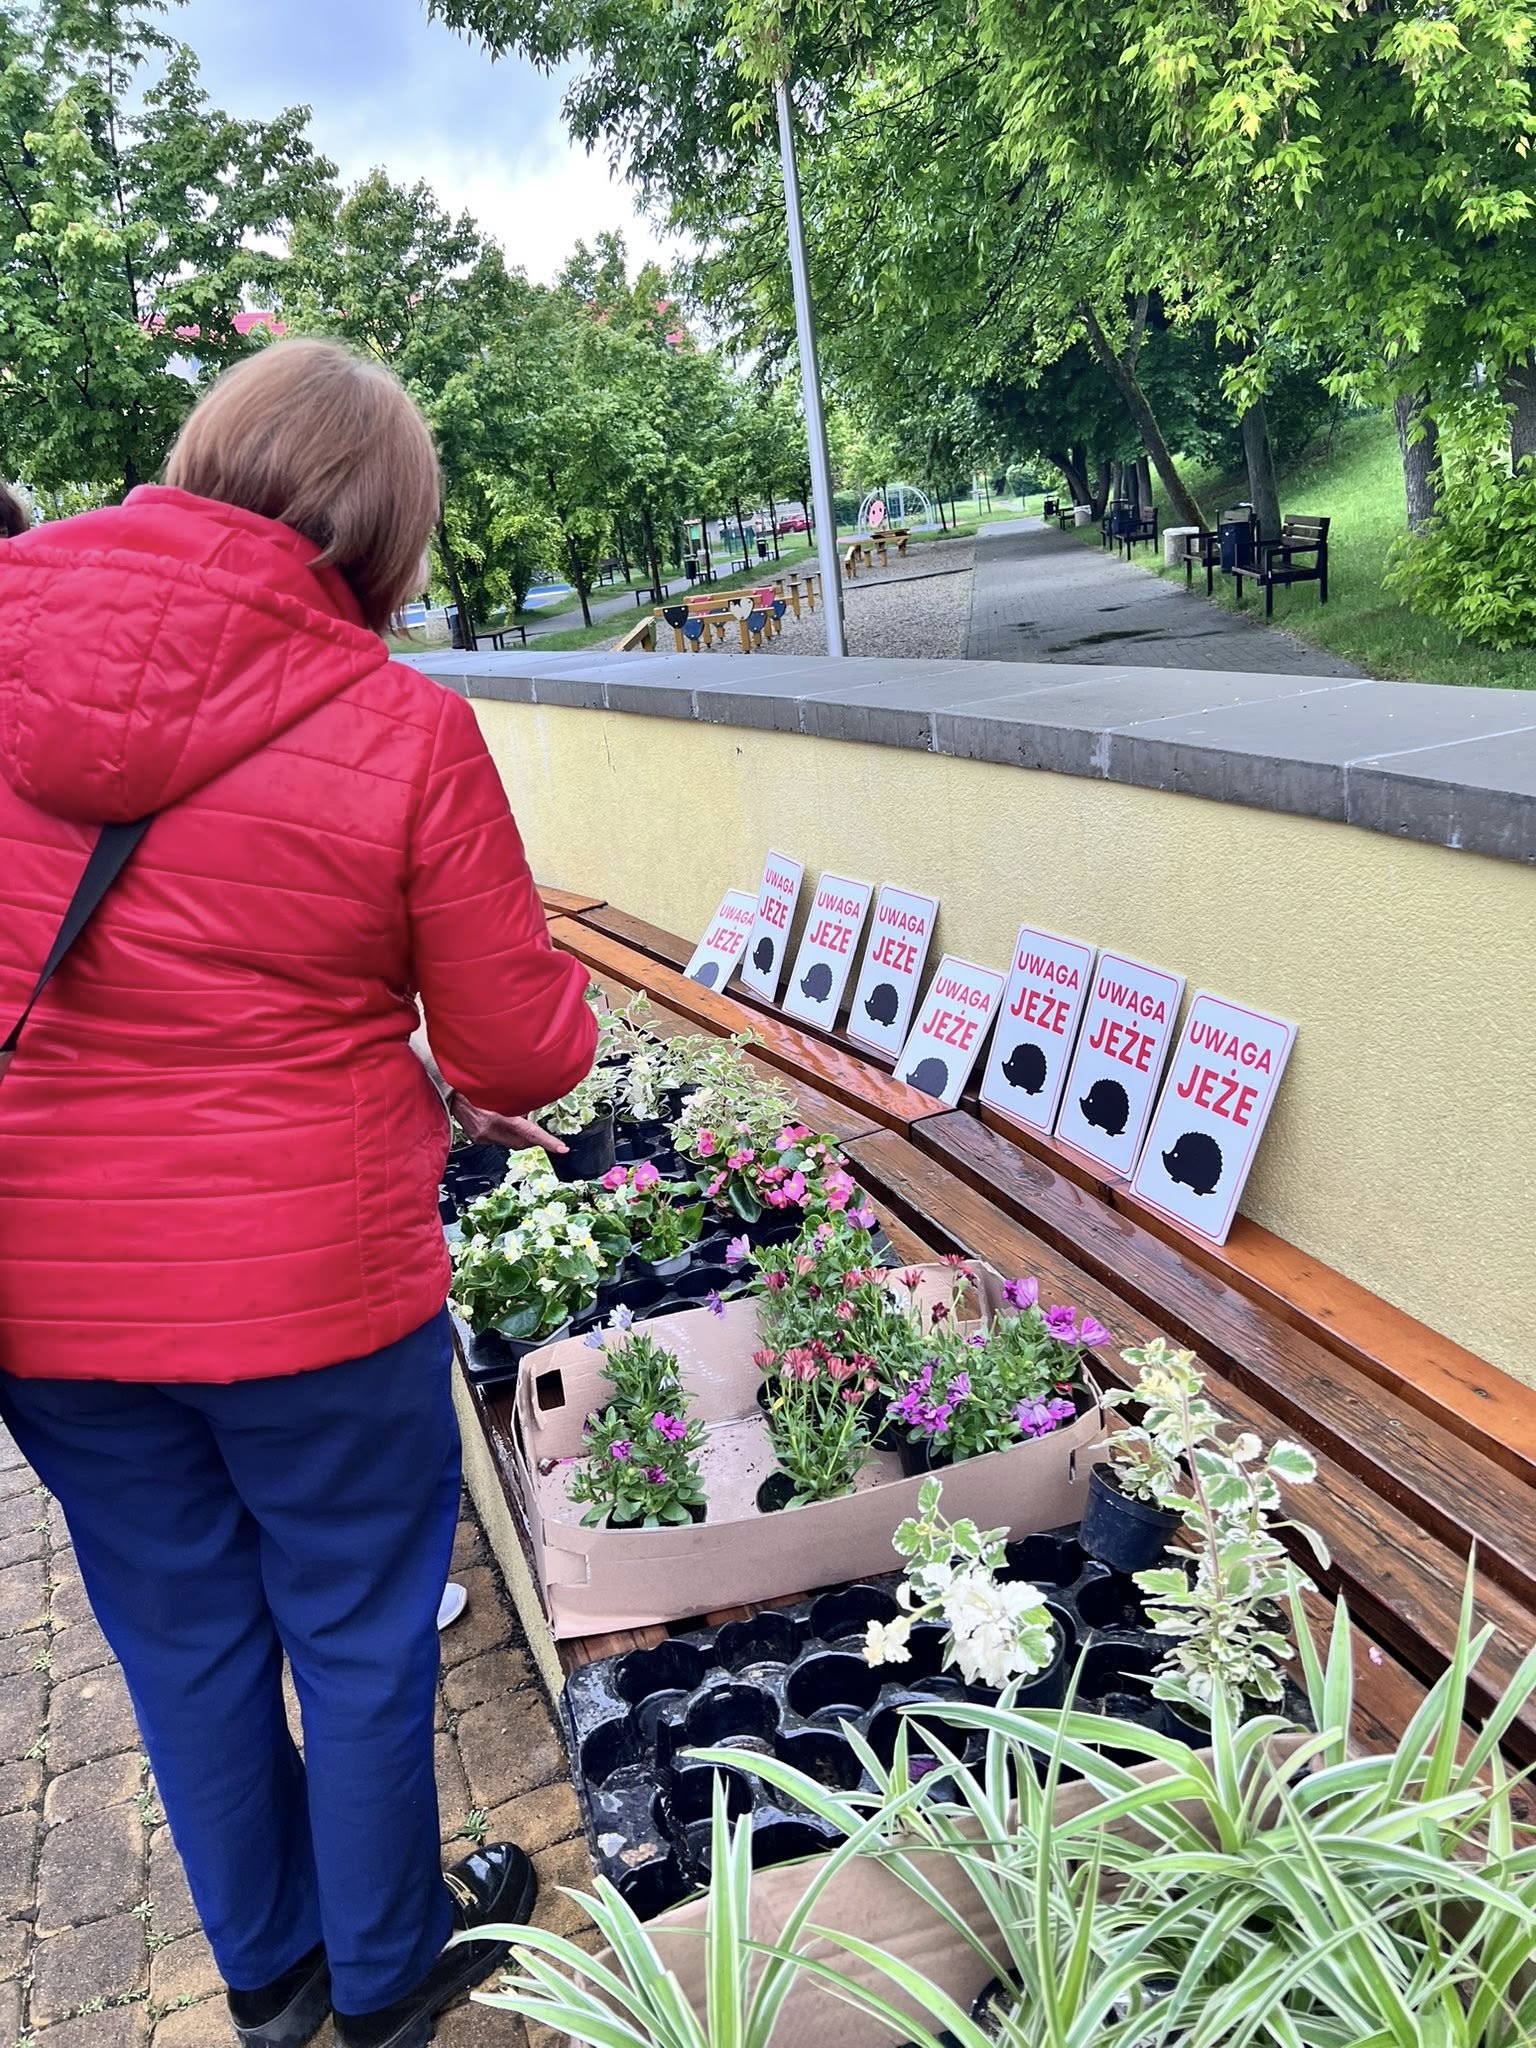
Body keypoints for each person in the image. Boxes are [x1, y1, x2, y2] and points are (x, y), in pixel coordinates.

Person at [0, 341, 596, 2048]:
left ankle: (268, 1978)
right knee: (356, 1631)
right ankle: (390, 1972)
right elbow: (520, 1047)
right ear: (386, 534)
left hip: (49, 1288)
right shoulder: (401, 725)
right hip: (316, 1288)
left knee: (177, 1635)